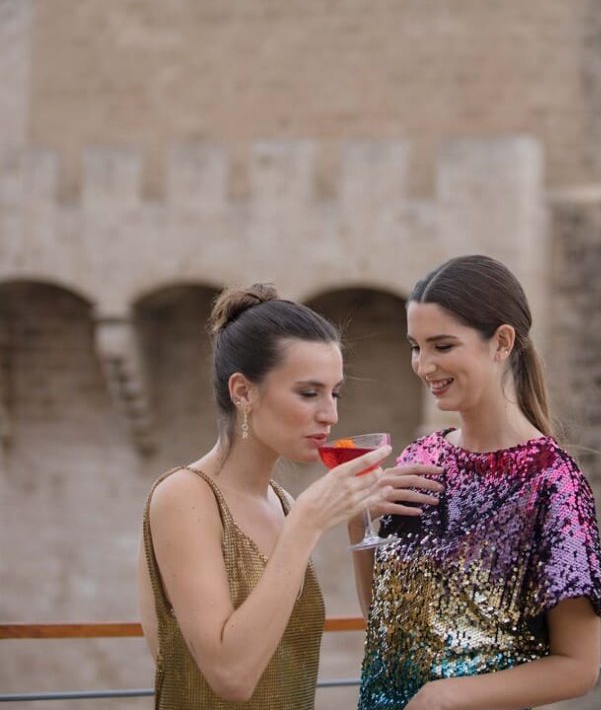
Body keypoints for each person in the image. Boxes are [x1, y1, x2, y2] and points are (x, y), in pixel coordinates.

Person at [138, 283, 441, 710]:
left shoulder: (284, 504)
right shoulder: (185, 496)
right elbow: (231, 677)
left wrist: (360, 518)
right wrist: (308, 524)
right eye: (308, 392)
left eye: (335, 393)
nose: (330, 414)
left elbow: (382, 633)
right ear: (243, 392)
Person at [352, 255, 601, 710]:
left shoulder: (552, 483)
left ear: (501, 342)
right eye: (415, 346)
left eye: (442, 346)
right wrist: (358, 521)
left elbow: (579, 666)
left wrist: (446, 695)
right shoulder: (421, 458)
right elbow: (385, 623)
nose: (423, 365)